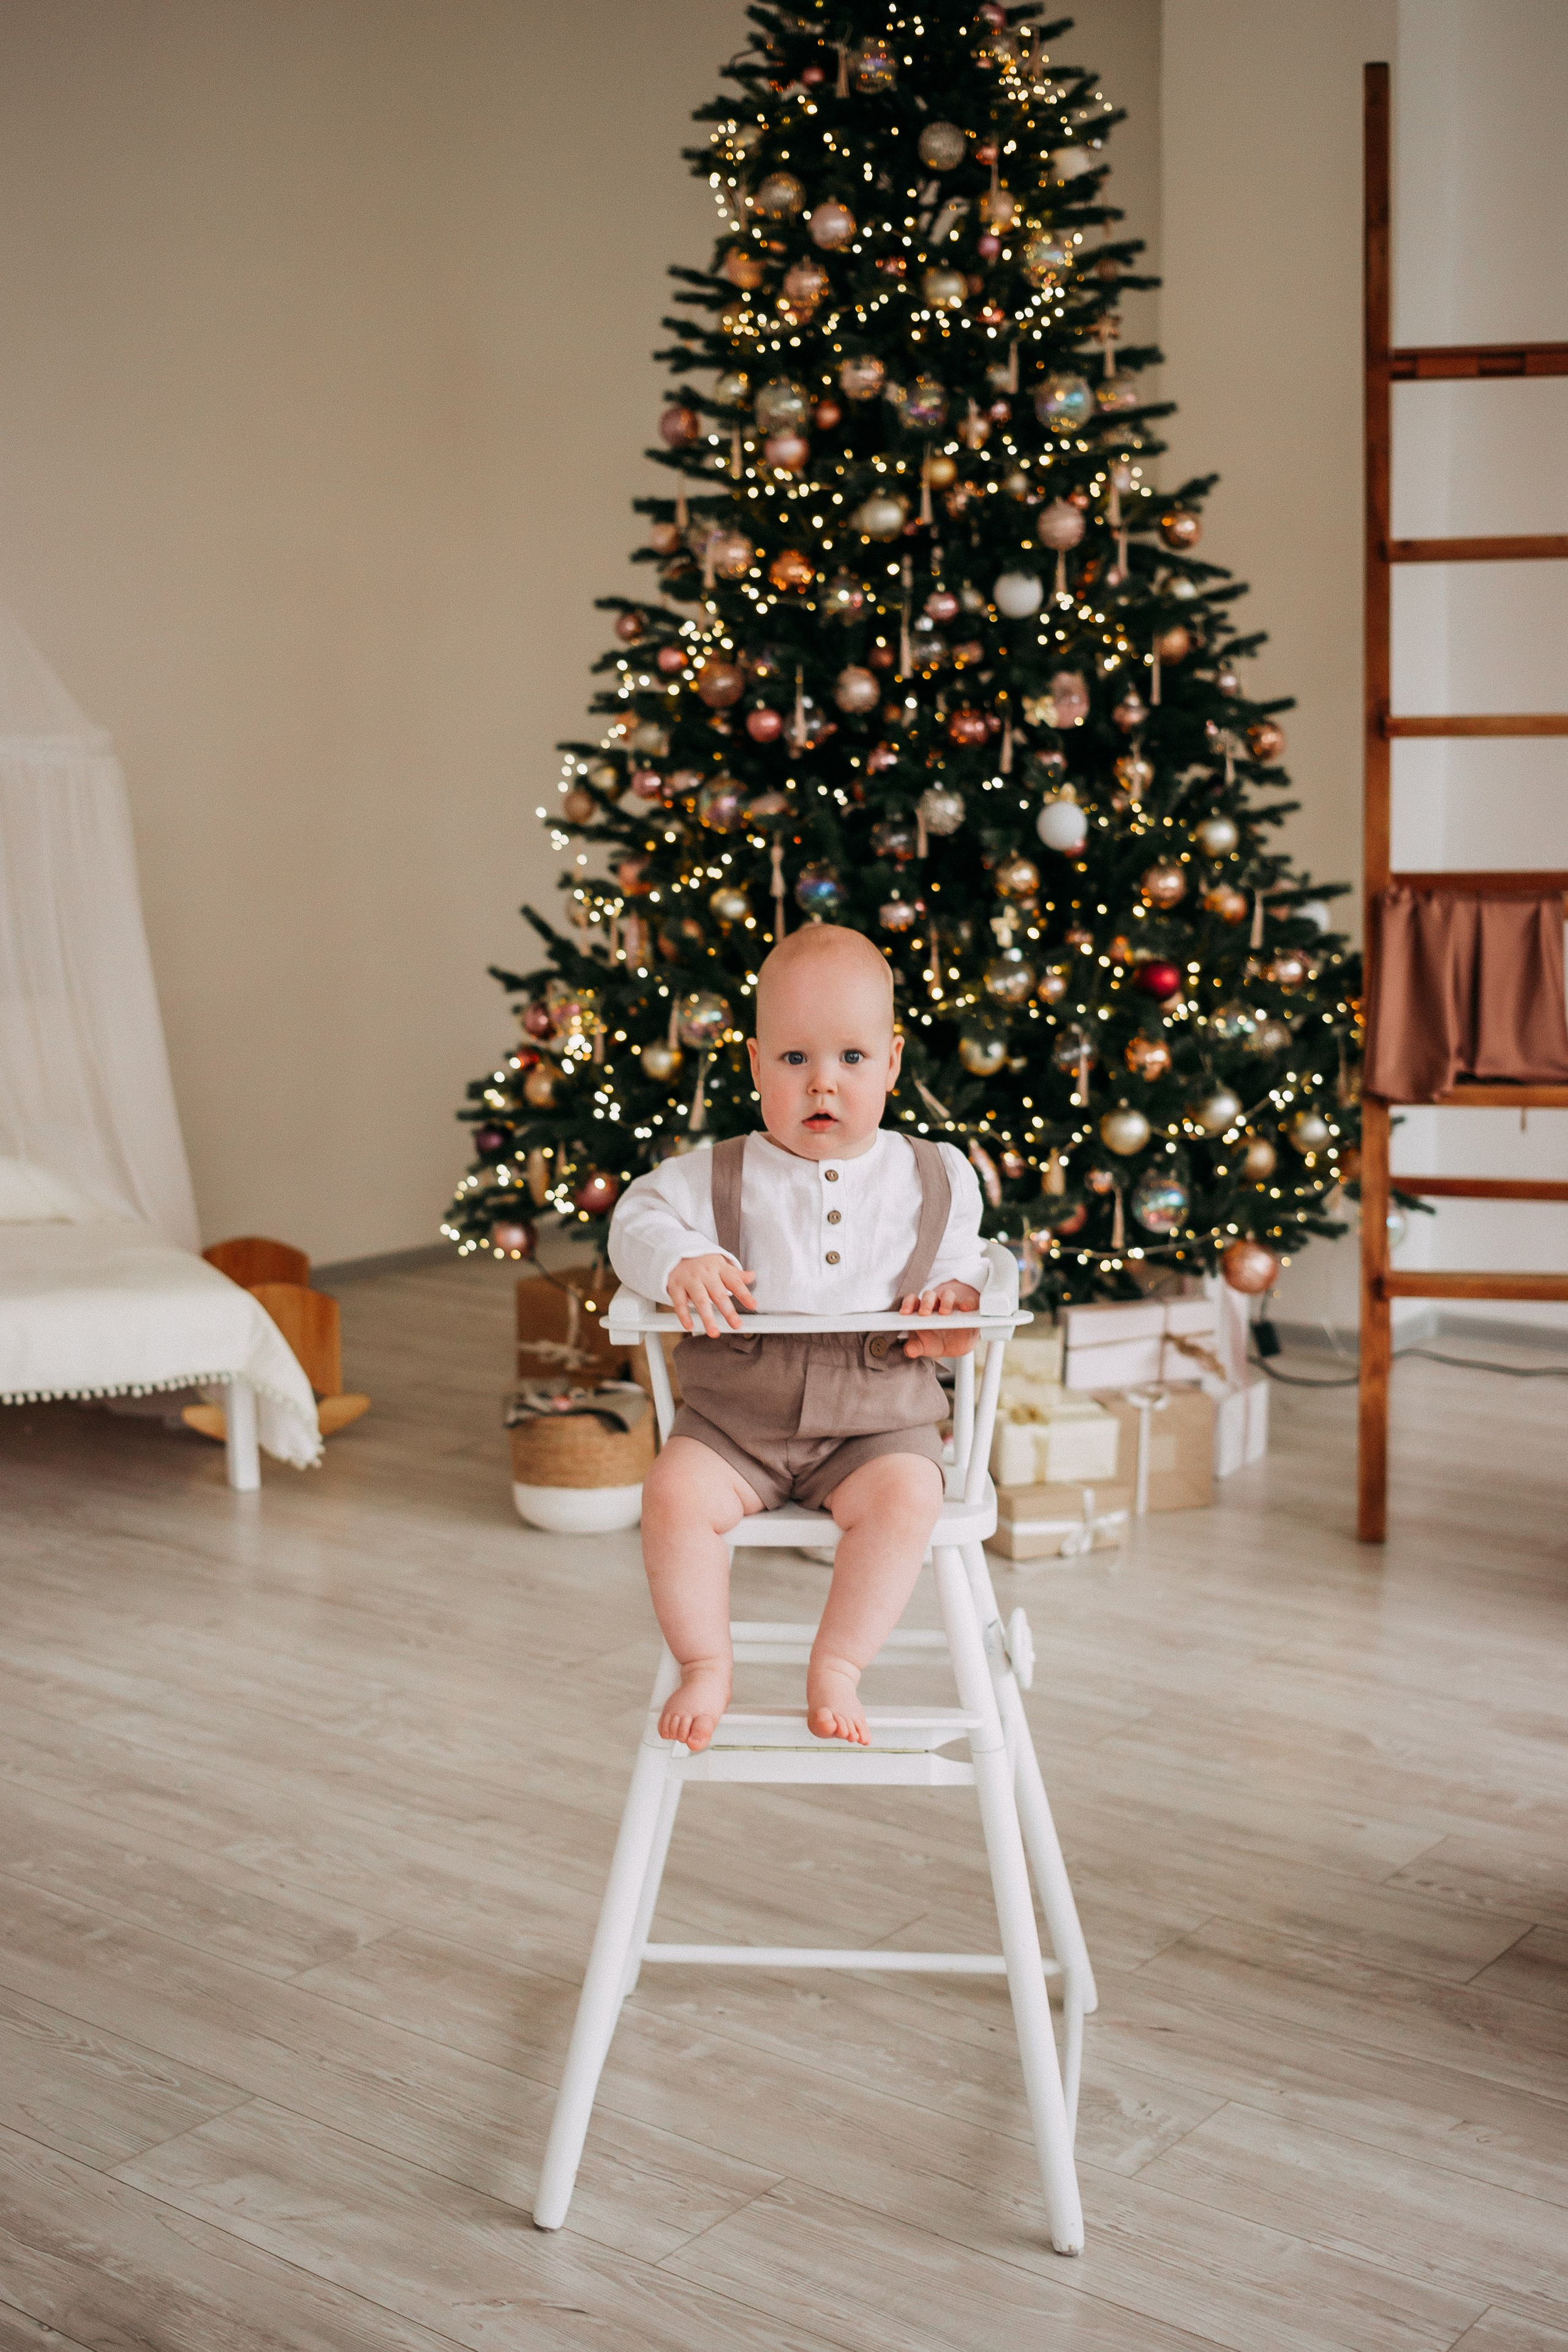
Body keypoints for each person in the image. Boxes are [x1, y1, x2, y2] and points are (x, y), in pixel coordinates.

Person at [608, 924, 989, 1753]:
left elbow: (968, 1268)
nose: (823, 1082)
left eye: (851, 1058)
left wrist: (958, 1306)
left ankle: (841, 1662)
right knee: (673, 1496)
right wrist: (681, 1257)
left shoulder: (935, 1175)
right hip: (735, 1420)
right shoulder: (716, 1175)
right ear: (753, 1064)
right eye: (794, 1061)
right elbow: (631, 1220)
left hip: (876, 1419)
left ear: (892, 1061)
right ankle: (706, 1660)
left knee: (909, 1497)